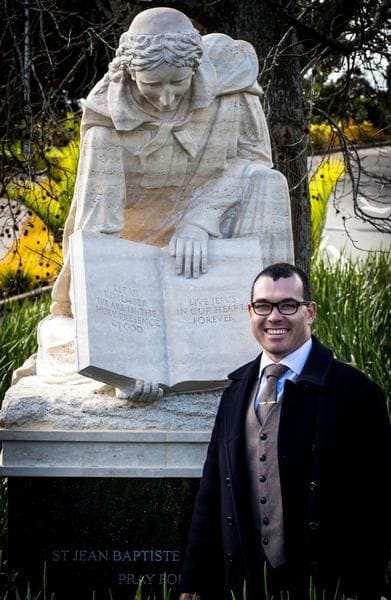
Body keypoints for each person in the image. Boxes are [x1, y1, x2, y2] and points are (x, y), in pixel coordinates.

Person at [35, 6, 294, 399]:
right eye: (151, 85)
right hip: (134, 272)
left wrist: (199, 220)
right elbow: (97, 237)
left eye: (177, 83)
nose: (166, 98)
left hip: (206, 254)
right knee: (64, 341)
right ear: (128, 72)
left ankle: (272, 336)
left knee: (268, 184)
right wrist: (120, 359)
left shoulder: (231, 86)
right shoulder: (106, 125)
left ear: (195, 67)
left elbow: (254, 159)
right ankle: (132, 366)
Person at [179, 262, 391, 599]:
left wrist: (362, 585)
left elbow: (377, 502)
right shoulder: (235, 392)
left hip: (326, 585)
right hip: (244, 584)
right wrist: (194, 581)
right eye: (263, 306)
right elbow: (212, 492)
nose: (274, 317)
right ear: (250, 312)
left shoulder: (356, 392)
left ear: (310, 312)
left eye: (288, 305)